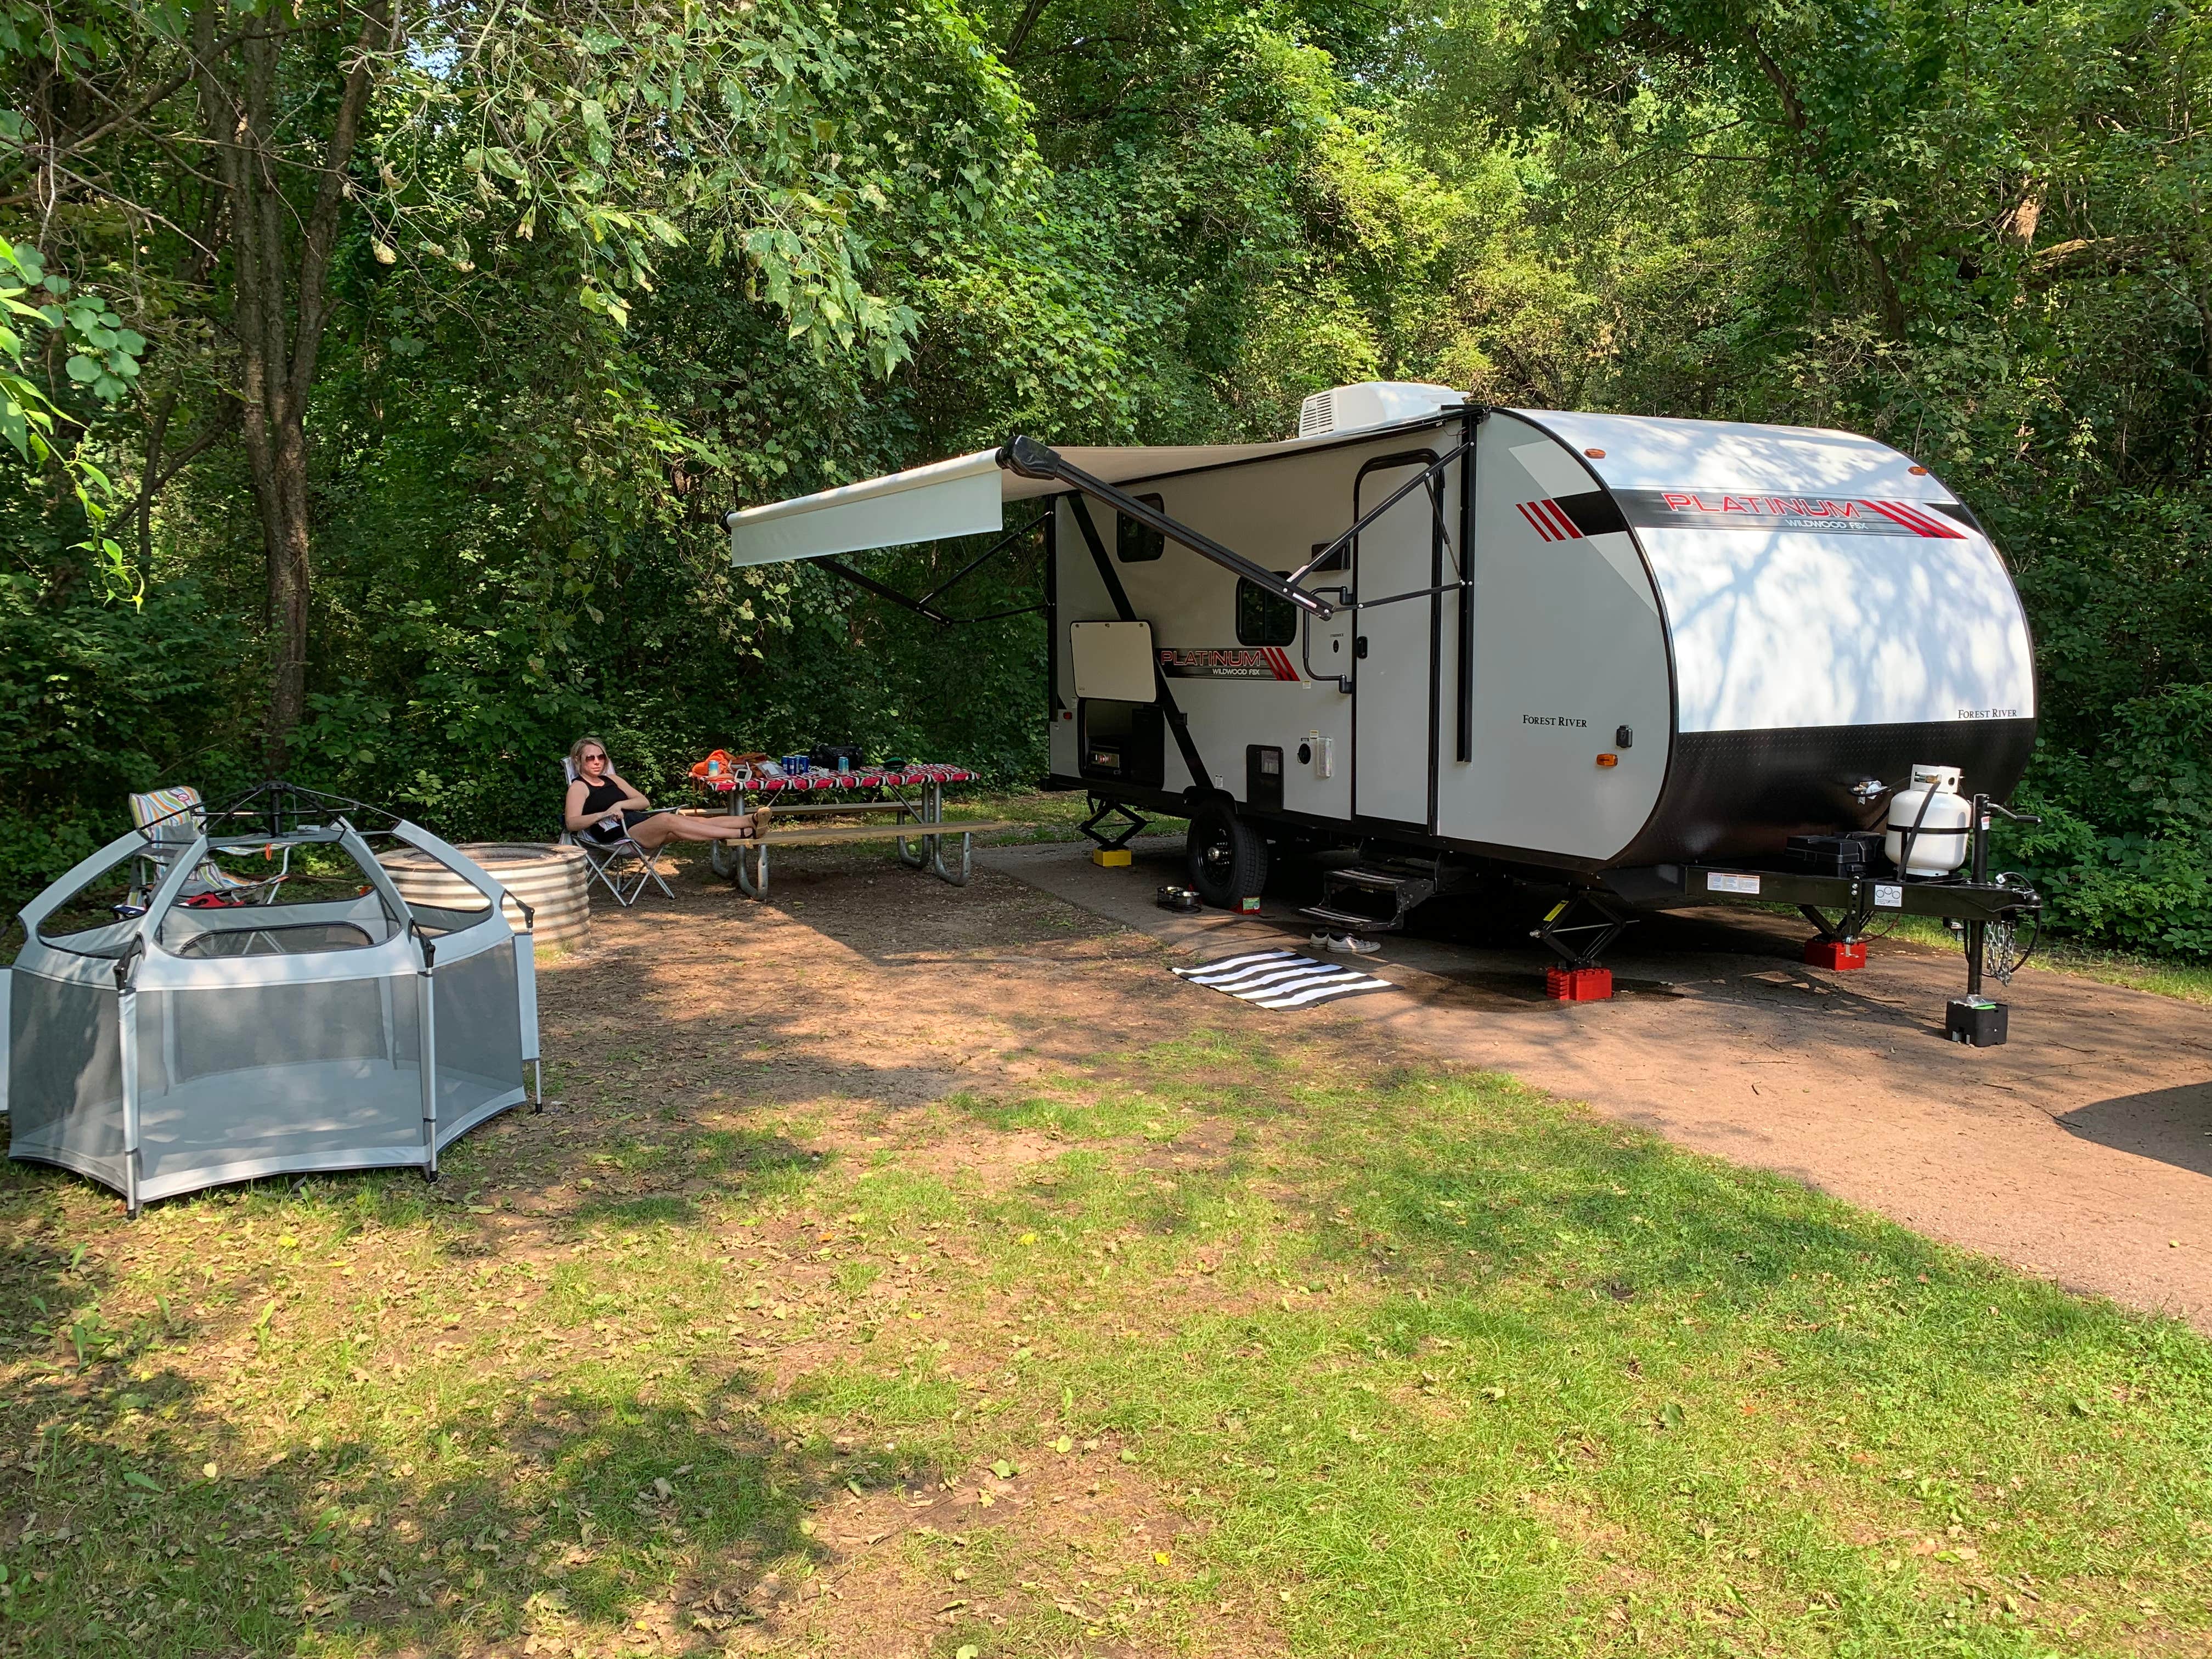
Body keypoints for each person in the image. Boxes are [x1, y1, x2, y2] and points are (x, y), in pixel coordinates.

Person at [564, 737, 771, 851]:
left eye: (601, 757)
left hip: (638, 823)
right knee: (667, 819)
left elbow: (643, 802)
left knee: (694, 823)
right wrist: (604, 814)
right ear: (578, 760)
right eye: (590, 758)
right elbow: (572, 823)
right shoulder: (579, 787)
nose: (597, 762)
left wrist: (620, 805)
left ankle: (749, 821)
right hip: (619, 836)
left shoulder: (613, 779)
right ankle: (740, 834)